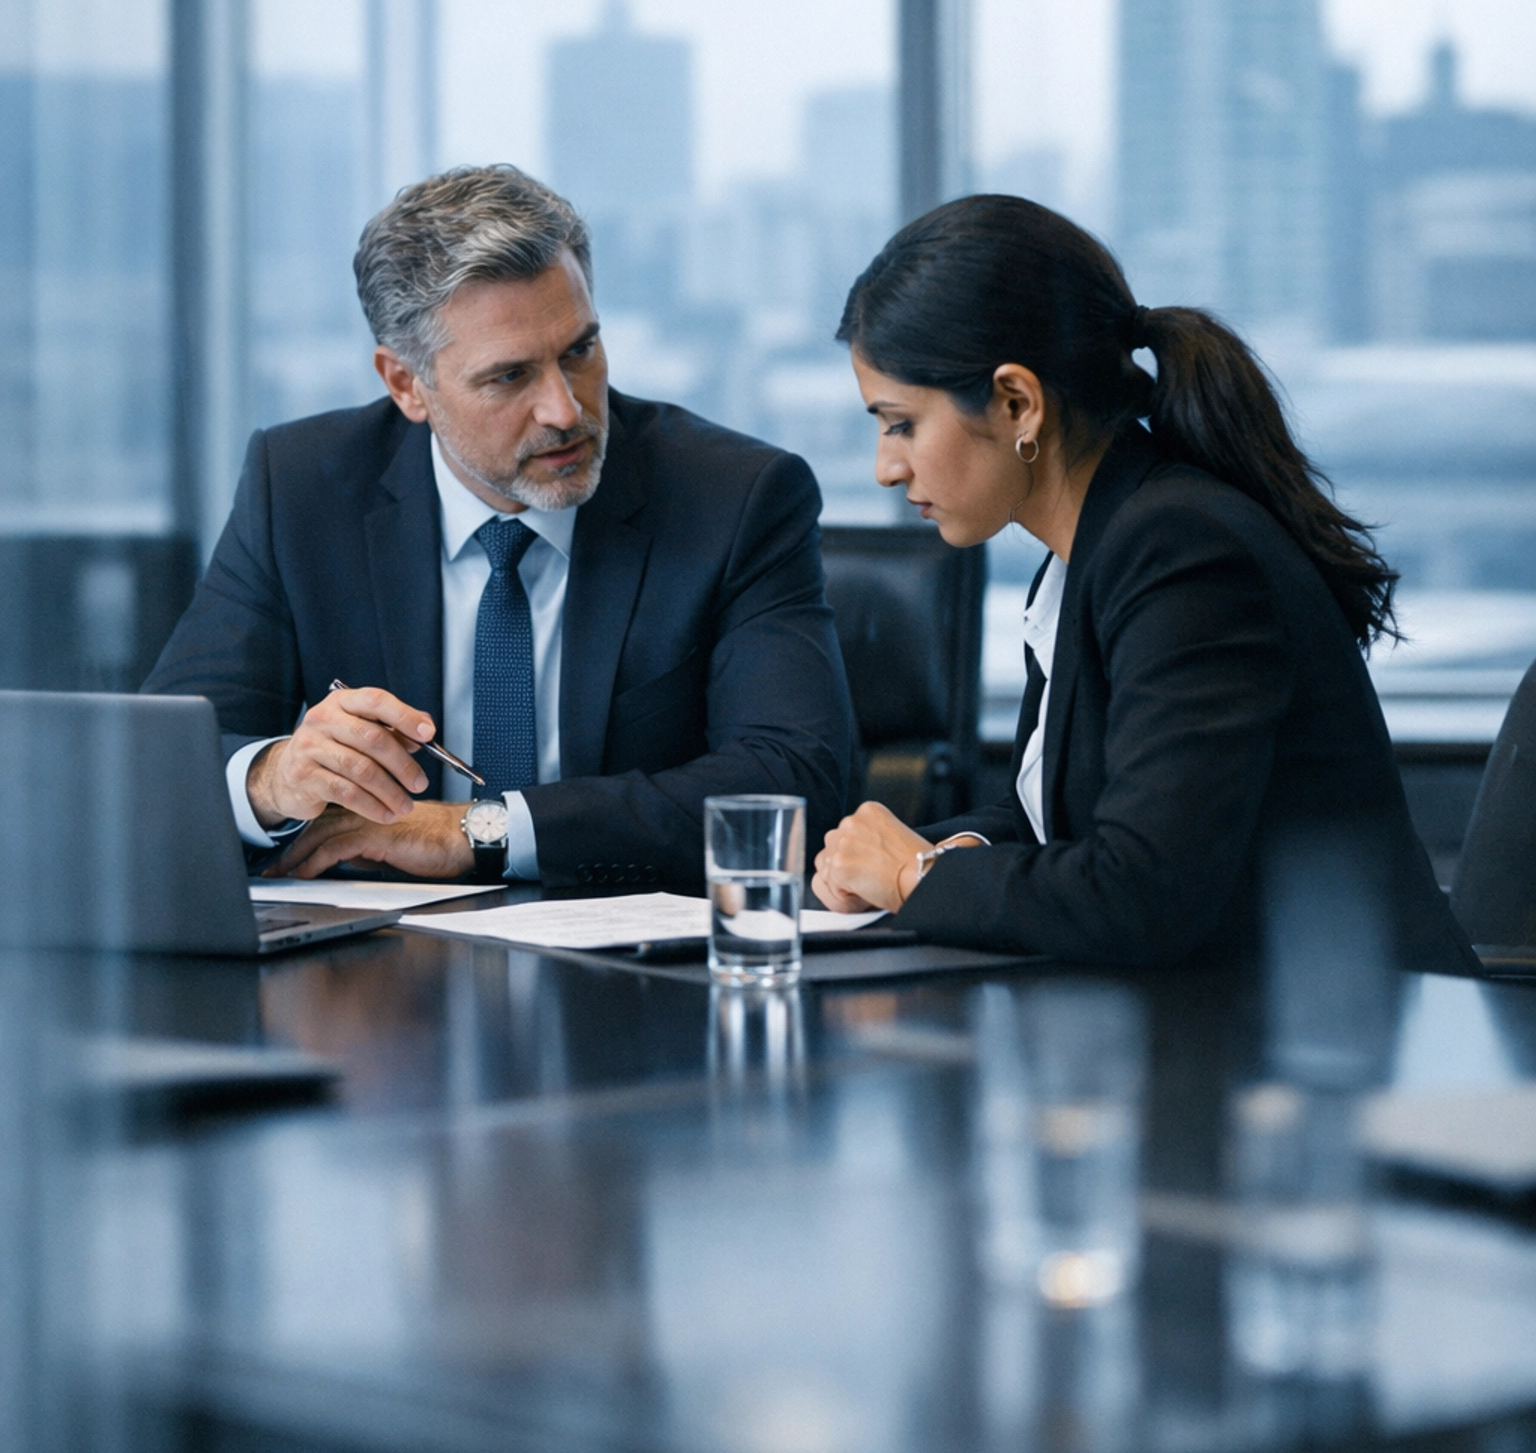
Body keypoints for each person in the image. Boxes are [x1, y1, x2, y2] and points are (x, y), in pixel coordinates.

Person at [811, 194, 1479, 976]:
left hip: (1348, 1047)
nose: (887, 468)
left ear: (1018, 402)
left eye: (900, 423)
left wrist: (912, 877)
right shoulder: (1086, 556)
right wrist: (944, 852)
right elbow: (1058, 813)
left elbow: (1144, 891)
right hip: (1227, 1032)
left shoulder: (1180, 553)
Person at [145, 165, 853, 894]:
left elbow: (796, 781)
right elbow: (157, 760)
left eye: (579, 351)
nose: (564, 410)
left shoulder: (734, 497)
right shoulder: (301, 487)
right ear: (405, 385)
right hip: (379, 979)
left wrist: (475, 833)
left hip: (631, 973)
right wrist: (270, 779)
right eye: (509, 377)